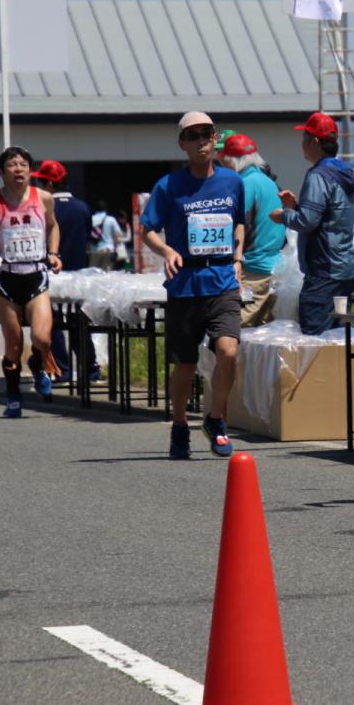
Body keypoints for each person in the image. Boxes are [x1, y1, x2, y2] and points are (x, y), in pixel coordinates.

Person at [140, 111, 244, 459]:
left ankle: (215, 419)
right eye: (193, 135)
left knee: (228, 351)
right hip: (184, 284)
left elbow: (239, 223)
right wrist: (167, 250)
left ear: (215, 138)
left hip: (223, 281)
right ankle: (181, 424)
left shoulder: (232, 182)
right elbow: (148, 230)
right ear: (182, 144)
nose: (202, 140)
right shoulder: (168, 186)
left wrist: (238, 257)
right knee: (184, 364)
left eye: (207, 134)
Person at [0, 146, 64, 418]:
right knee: (14, 344)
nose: (18, 169)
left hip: (36, 275)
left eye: (23, 164)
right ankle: (13, 397)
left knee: (43, 338)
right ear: (1, 172)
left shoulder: (43, 198)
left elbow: (53, 226)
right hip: (7, 279)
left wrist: (53, 254)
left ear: (30, 170)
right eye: (12, 165)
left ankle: (38, 362)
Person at [270, 112, 354, 335]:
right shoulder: (342, 172)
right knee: (339, 337)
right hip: (345, 268)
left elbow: (307, 221)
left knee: (316, 339)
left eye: (305, 139)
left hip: (324, 271)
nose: (302, 144)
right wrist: (298, 206)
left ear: (315, 142)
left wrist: (283, 215)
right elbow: (328, 215)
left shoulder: (318, 175)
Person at [32, 159, 101, 382]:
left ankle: (60, 368)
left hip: (50, 273)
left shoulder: (44, 208)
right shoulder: (82, 207)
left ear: (49, 185)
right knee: (80, 322)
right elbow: (89, 238)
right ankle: (90, 368)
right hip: (79, 275)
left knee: (51, 322)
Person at [219, 133, 287, 327]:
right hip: (274, 268)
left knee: (235, 331)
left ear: (233, 161)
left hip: (252, 271)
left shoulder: (245, 185)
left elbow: (237, 225)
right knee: (265, 335)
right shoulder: (268, 182)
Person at [89, 200, 123, 270]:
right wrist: (116, 248)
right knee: (107, 275)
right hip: (108, 250)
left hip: (95, 251)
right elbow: (118, 236)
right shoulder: (111, 219)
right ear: (106, 209)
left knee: (93, 275)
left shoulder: (91, 219)